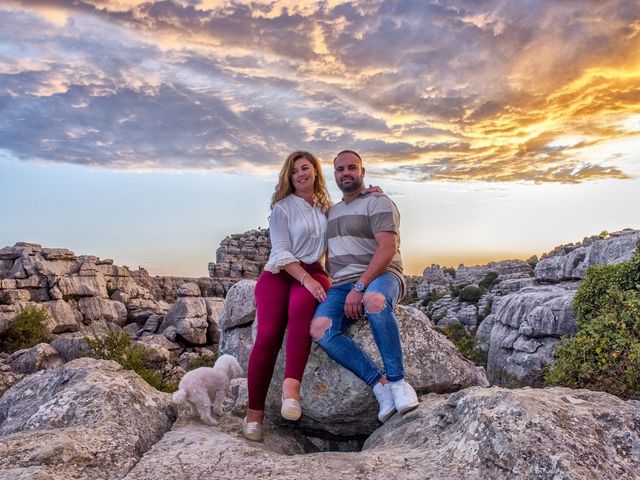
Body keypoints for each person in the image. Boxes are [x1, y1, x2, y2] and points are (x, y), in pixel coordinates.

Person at [310, 149, 419, 424]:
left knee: (374, 301)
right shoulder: (331, 212)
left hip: (383, 275)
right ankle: (379, 383)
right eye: (340, 169)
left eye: (351, 168)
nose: (346, 173)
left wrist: (360, 287)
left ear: (362, 171)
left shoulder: (378, 202)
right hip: (341, 285)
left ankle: (398, 382)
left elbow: (387, 248)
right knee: (320, 329)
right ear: (334, 175)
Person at [243, 151, 332, 442]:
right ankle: (254, 413)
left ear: (316, 171)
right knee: (268, 333)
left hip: (314, 270)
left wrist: (371, 193)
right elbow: (281, 251)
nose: (300, 174)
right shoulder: (282, 208)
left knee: (302, 308)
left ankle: (291, 391)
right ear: (288, 177)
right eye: (294, 172)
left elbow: (351, 218)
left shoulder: (327, 207)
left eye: (305, 168)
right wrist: (304, 278)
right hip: (281, 272)